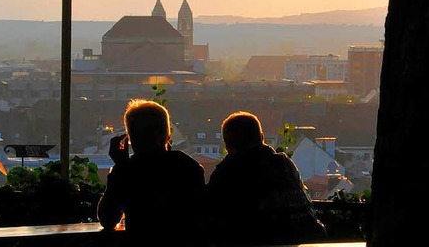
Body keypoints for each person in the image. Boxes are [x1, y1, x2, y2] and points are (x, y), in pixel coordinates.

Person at [205, 111, 327, 246]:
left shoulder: (231, 171)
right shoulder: (285, 164)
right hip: (307, 238)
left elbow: (211, 212)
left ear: (228, 145)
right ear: (262, 137)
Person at [97, 98, 206, 245]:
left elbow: (108, 219)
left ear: (130, 138)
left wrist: (120, 168)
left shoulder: (128, 170)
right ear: (167, 134)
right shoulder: (189, 167)